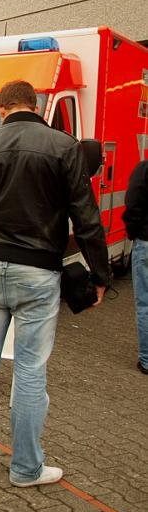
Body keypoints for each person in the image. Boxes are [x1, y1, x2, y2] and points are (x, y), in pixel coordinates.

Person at [0, 79, 110, 487]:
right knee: (29, 370)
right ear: (35, 106)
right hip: (39, 271)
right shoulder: (63, 147)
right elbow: (86, 216)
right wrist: (100, 275)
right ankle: (25, 468)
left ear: (1, 109)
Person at [123, 159, 148, 375]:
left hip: (146, 242)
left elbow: (132, 203)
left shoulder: (145, 168)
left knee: (146, 304)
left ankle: (147, 361)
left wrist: (133, 232)